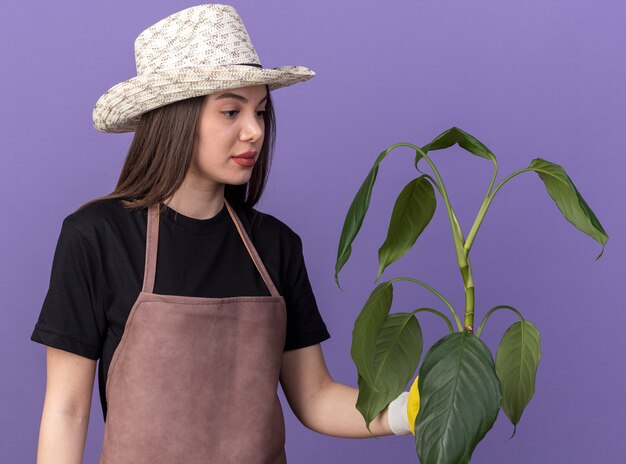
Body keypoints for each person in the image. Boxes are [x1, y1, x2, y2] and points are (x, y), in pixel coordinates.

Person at [30, 4, 418, 463]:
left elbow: (315, 398)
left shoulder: (276, 246)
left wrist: (411, 409)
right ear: (175, 117)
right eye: (231, 111)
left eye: (260, 111)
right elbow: (67, 410)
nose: (254, 131)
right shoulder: (96, 237)